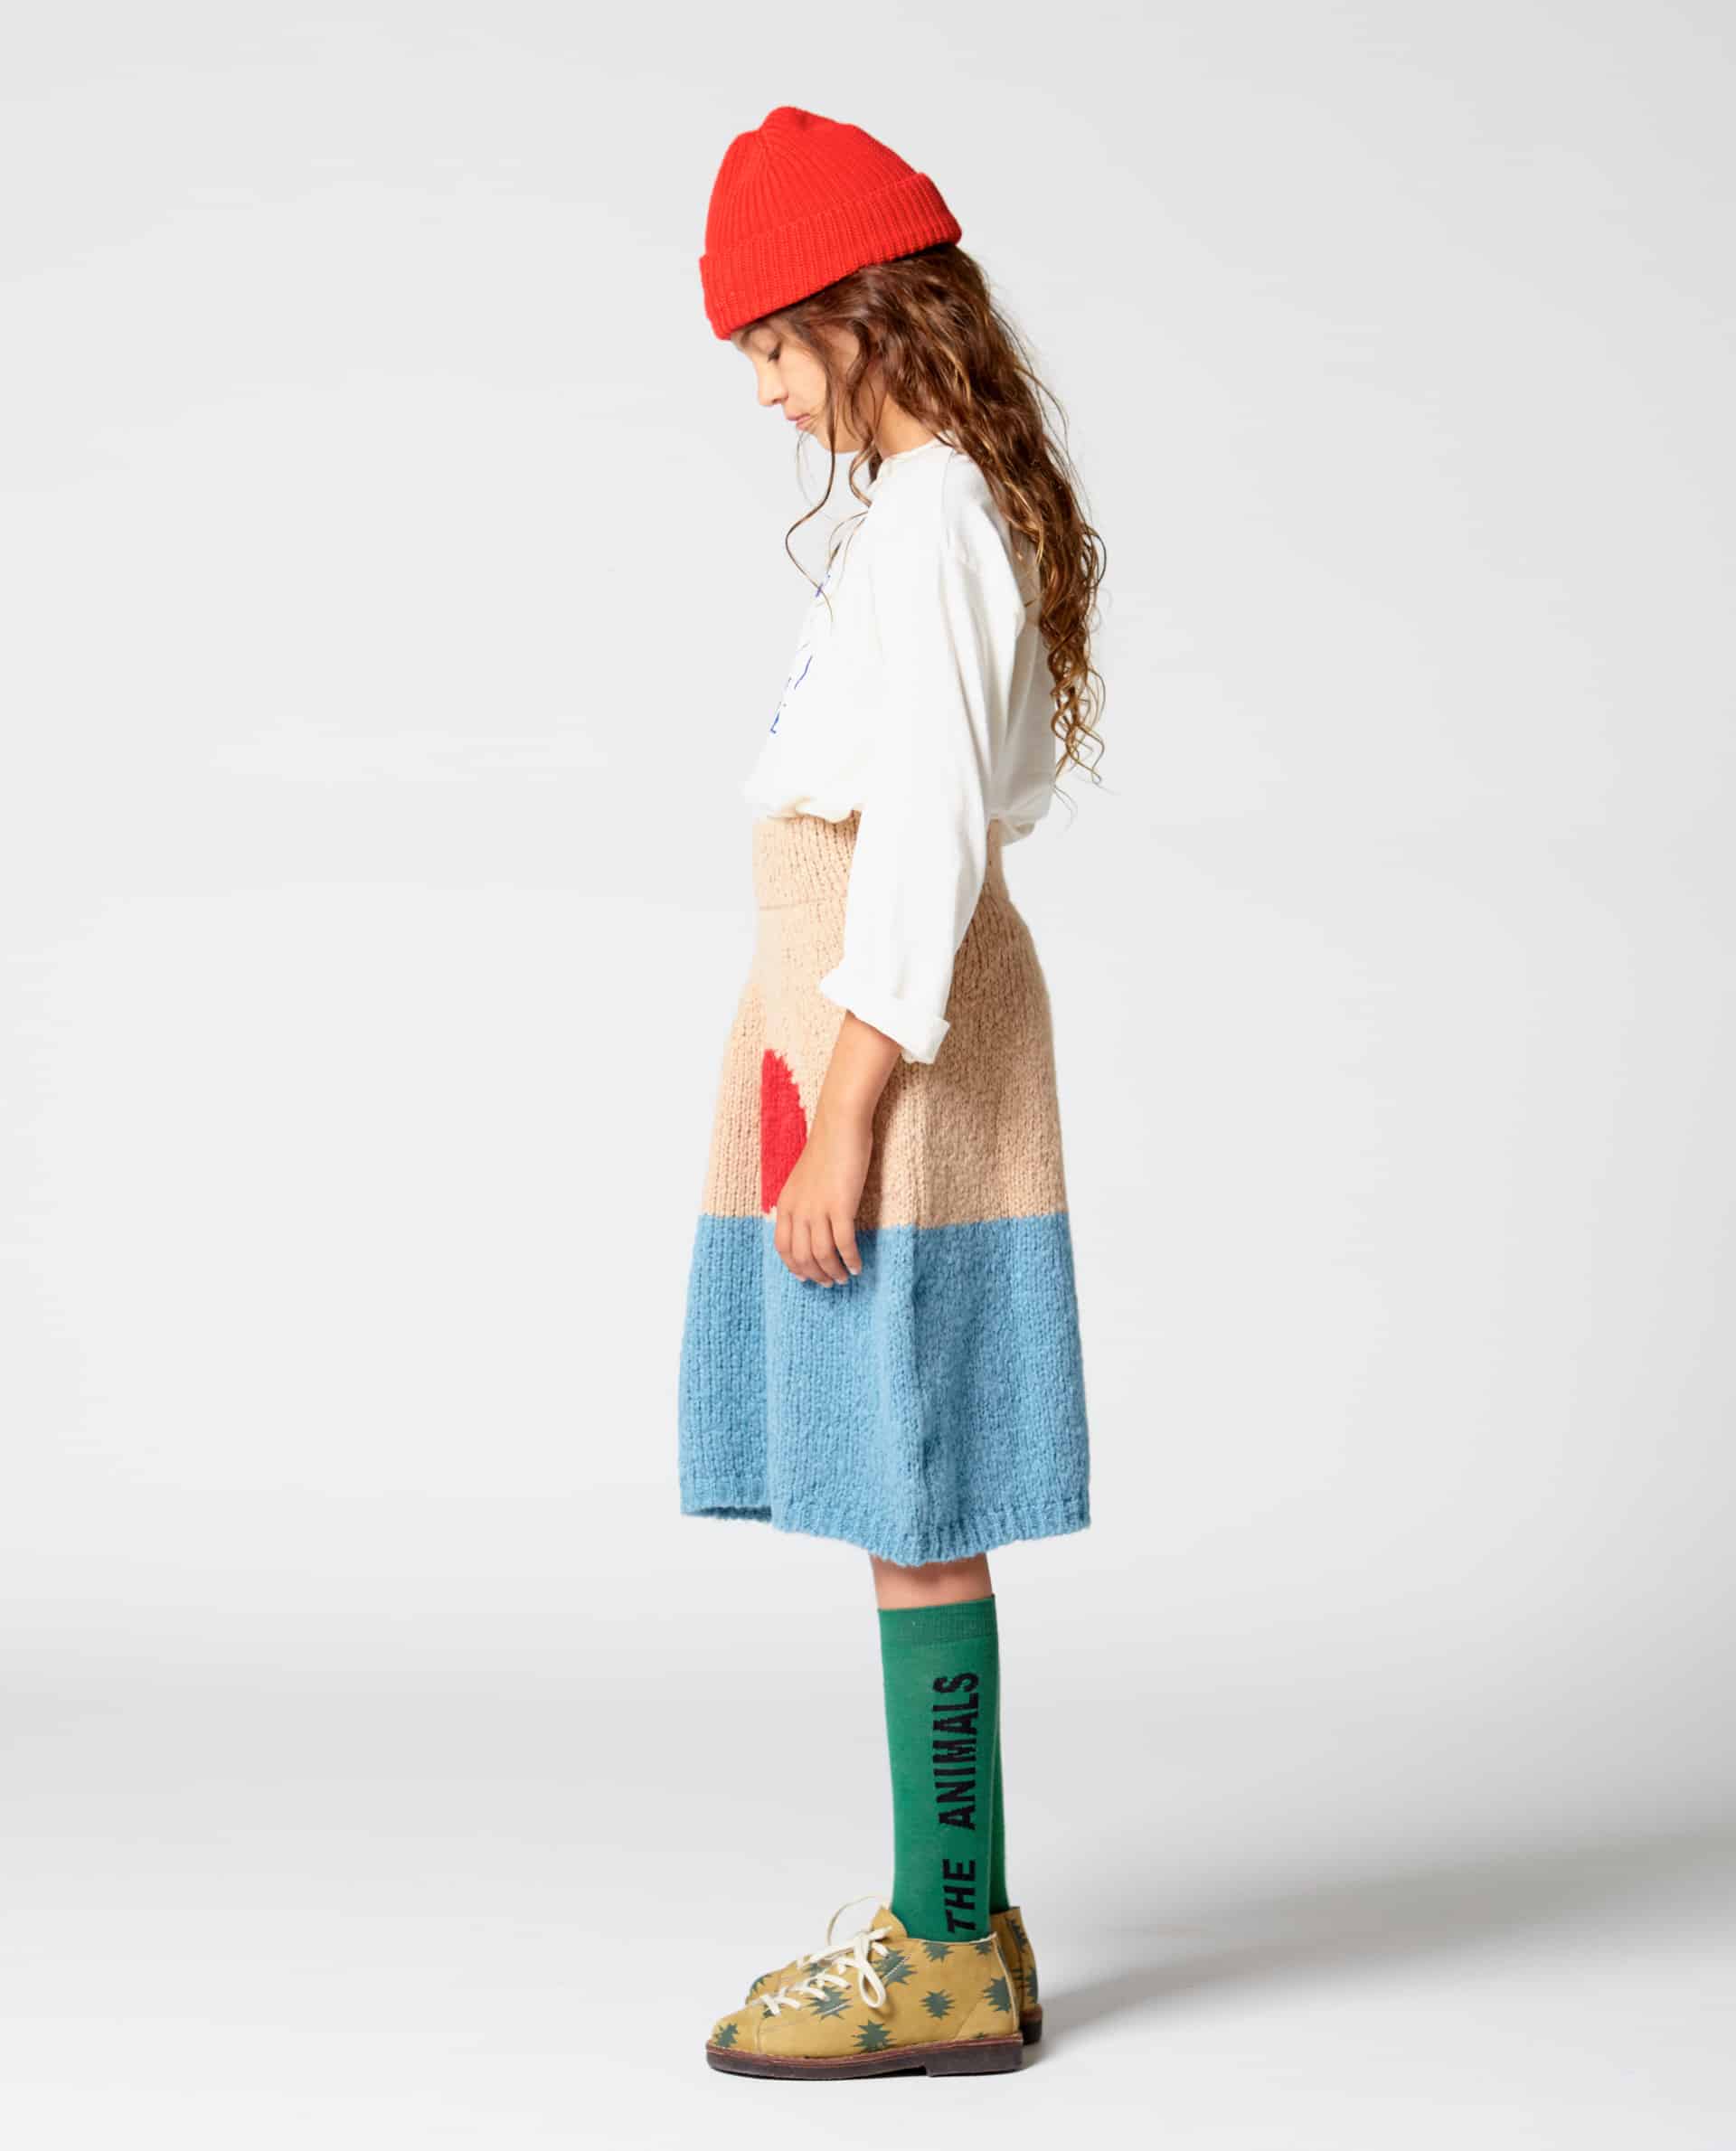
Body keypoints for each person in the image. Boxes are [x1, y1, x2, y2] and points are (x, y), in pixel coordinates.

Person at [679, 105, 1108, 2081]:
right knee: (898, 1478)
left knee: (916, 1482)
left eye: (779, 343)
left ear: (872, 313)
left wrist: (844, 1111)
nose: (770, 390)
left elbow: (929, 836)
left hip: (891, 1059)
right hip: (864, 1037)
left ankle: (944, 1947)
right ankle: (961, 1909)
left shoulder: (933, 520)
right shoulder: (930, 515)